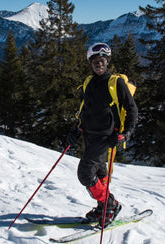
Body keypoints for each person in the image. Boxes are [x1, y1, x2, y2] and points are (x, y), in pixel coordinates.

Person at [66, 42, 138, 227]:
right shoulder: (89, 82)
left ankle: (109, 205)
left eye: (102, 60)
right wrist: (76, 129)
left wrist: (126, 133)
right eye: (95, 60)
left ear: (107, 62)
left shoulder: (116, 82)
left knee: (85, 173)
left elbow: (132, 110)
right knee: (99, 172)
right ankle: (104, 206)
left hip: (105, 137)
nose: (99, 63)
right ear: (91, 62)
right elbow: (85, 110)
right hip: (89, 135)